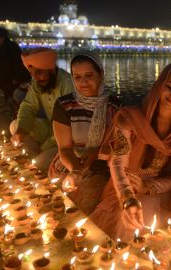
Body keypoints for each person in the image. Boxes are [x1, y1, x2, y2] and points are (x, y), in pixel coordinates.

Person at [90, 61, 171, 240]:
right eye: (170, 87)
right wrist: (128, 199)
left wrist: (149, 187)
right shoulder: (129, 118)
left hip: (161, 192)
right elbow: (118, 163)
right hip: (125, 188)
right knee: (131, 229)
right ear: (159, 85)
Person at [50, 53, 121, 215]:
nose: (83, 82)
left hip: (102, 166)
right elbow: (65, 148)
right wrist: (75, 171)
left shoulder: (115, 107)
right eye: (77, 77)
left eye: (89, 75)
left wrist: (97, 154)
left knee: (82, 205)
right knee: (56, 202)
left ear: (100, 74)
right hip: (71, 163)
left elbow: (118, 144)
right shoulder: (64, 105)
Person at [10, 47, 74, 172]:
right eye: (32, 73)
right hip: (50, 130)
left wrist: (46, 145)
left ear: (50, 68)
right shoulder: (38, 82)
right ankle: (37, 155)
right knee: (15, 125)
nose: (35, 77)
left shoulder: (67, 84)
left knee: (39, 165)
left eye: (39, 72)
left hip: (67, 140)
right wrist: (21, 131)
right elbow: (28, 106)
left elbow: (71, 126)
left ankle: (40, 157)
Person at [0, 26, 31, 107]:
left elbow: (20, 64)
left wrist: (16, 79)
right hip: (4, 81)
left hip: (14, 81)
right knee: (10, 102)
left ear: (1, 37)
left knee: (17, 101)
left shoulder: (12, 47)